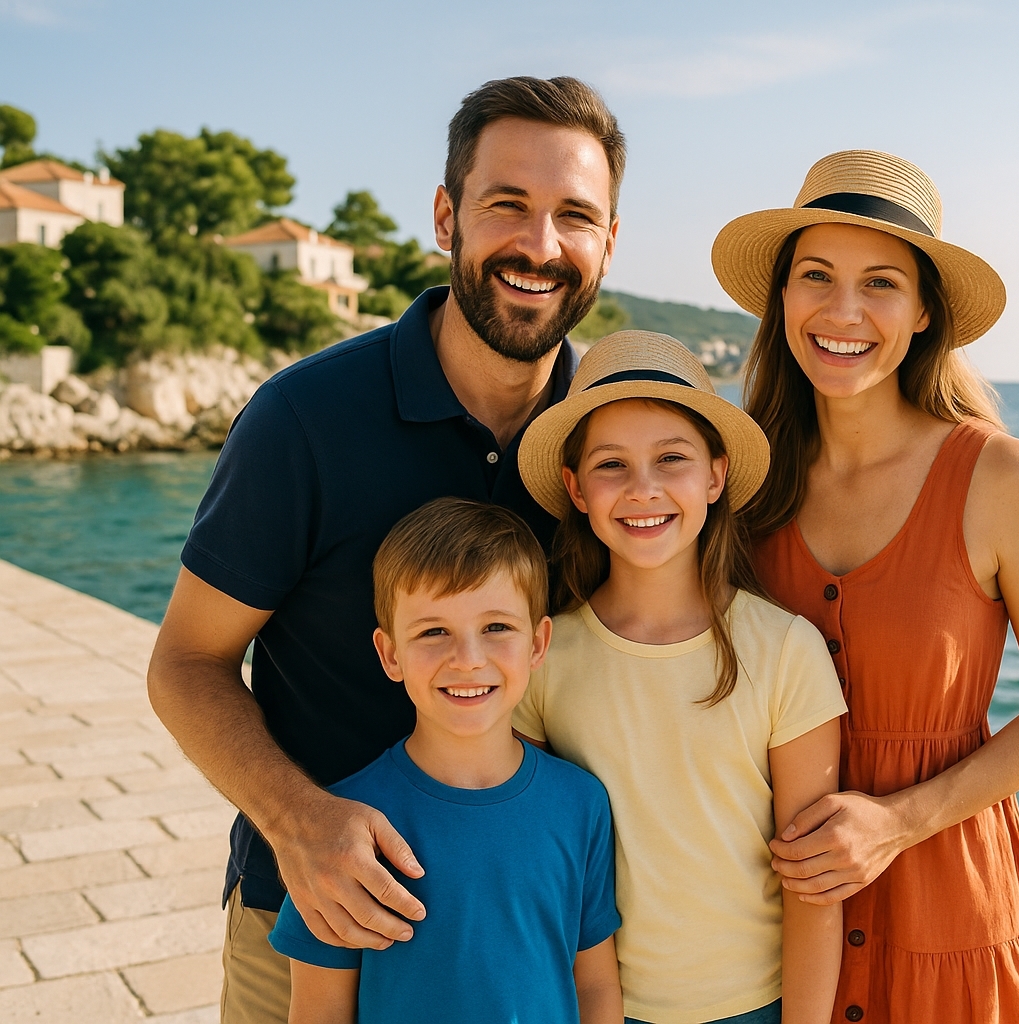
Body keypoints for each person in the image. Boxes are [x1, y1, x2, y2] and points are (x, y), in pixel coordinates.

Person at [145, 76, 625, 1024]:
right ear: (447, 216)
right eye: (507, 204)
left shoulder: (612, 445)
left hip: (532, 927)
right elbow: (186, 664)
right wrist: (299, 823)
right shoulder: (303, 418)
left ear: (609, 243)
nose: (540, 245)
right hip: (311, 920)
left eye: (575, 215)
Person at [711, 150, 1019, 1024]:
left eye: (881, 284)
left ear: (925, 312)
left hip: (949, 904)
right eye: (816, 275)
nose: (842, 311)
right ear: (783, 297)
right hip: (771, 920)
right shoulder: (744, 482)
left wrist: (897, 822)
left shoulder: (1002, 476)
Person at [510, 331, 848, 1024]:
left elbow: (813, 883)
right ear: (575, 488)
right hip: (595, 1005)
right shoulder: (543, 656)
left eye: (672, 459)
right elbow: (536, 863)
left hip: (755, 1006)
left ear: (715, 477)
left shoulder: (786, 650)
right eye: (611, 465)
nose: (644, 490)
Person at [270, 497, 622, 1024]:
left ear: (538, 643)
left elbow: (594, 985)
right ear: (390, 654)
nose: (468, 659)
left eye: (496, 627)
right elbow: (319, 1012)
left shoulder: (581, 803)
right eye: (433, 632)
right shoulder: (343, 828)